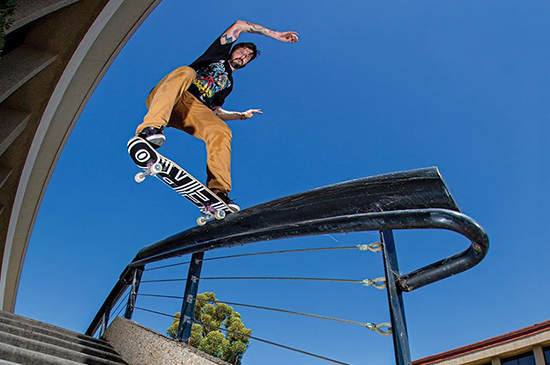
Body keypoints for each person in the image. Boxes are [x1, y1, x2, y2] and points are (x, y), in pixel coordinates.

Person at [135, 20, 298, 210]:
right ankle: (150, 129)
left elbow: (215, 112)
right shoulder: (217, 55)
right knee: (186, 72)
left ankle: (218, 192)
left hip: (191, 111)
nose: (243, 56)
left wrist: (241, 115)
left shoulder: (228, 84)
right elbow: (240, 25)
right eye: (241, 51)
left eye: (248, 56)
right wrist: (276, 35)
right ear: (232, 51)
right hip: (171, 95)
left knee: (221, 131)